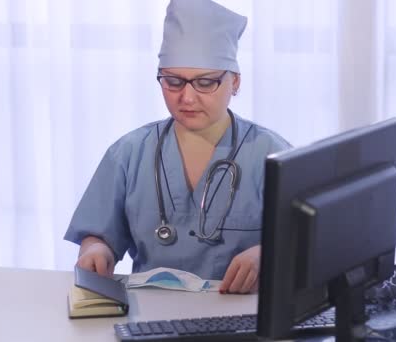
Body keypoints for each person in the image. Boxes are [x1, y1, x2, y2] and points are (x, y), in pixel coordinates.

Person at [64, 0, 291, 294]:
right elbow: (99, 236)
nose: (187, 97)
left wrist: (267, 254)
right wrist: (96, 252)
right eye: (173, 82)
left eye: (205, 83)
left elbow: (304, 240)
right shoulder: (129, 153)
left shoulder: (271, 154)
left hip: (238, 314)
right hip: (150, 317)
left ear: (234, 82)